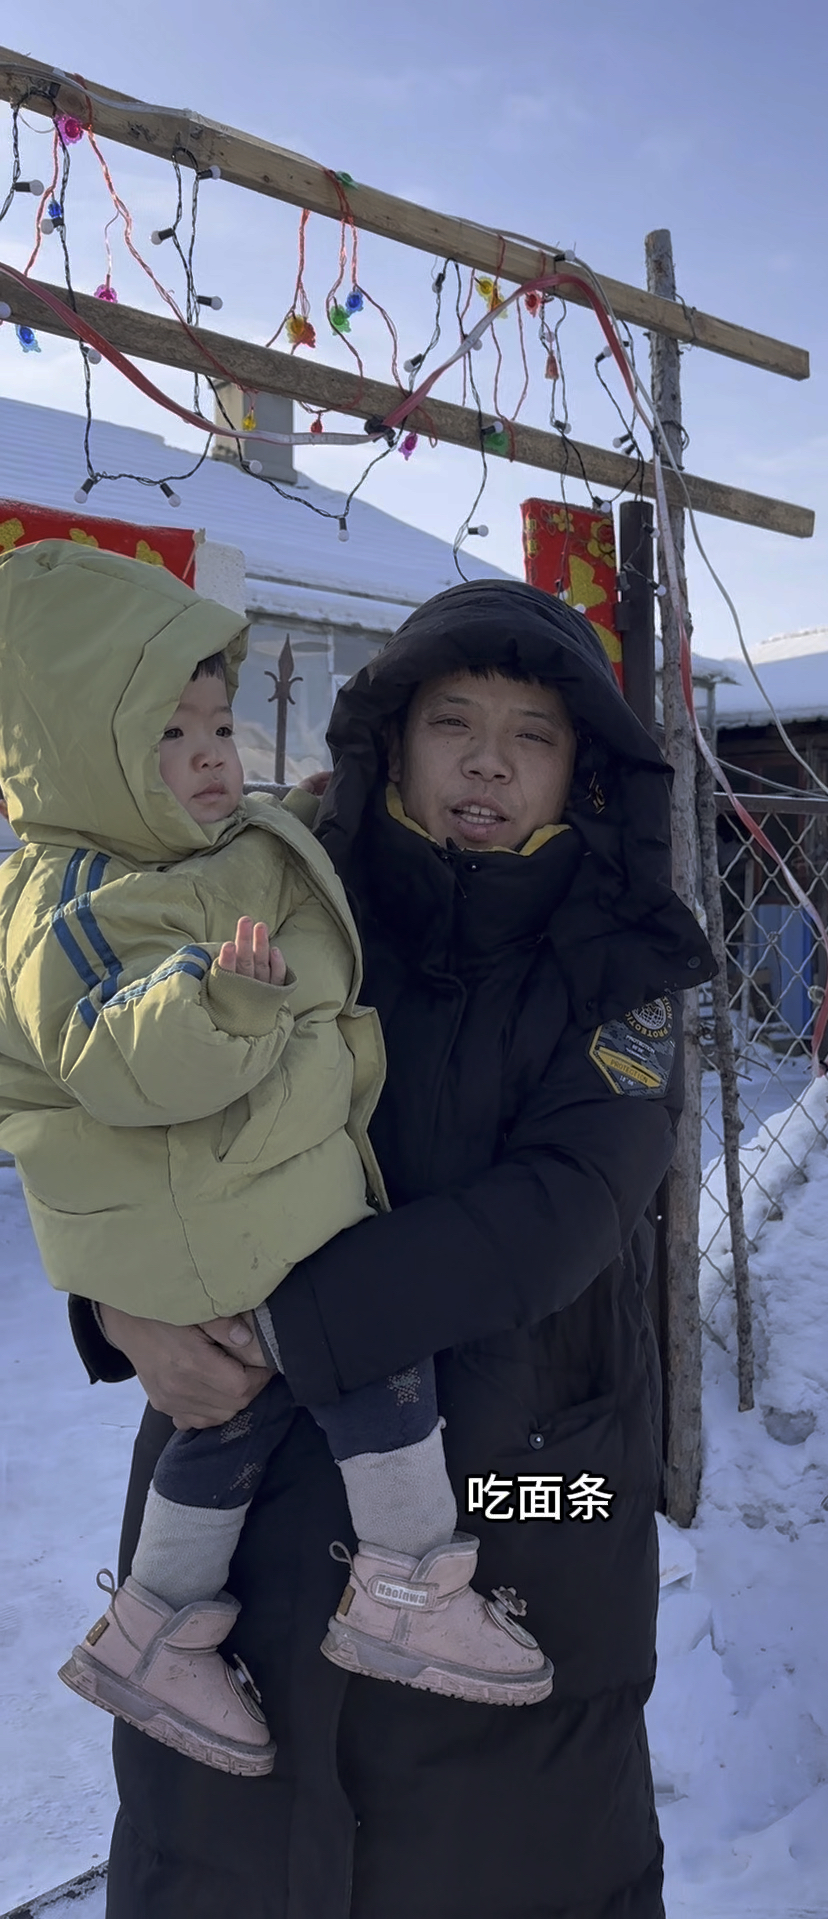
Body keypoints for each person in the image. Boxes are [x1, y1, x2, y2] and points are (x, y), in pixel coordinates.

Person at [69, 577, 716, 1919]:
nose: (488, 762)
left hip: (527, 1489)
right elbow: (122, 1109)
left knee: (505, 1853)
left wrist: (283, 1327)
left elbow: (564, 1210)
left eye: (533, 735)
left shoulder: (619, 960)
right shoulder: (265, 905)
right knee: (223, 1855)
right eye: (453, 722)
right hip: (236, 1477)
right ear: (393, 741)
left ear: (582, 767)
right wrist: (118, 1308)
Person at [0, 543, 552, 1780]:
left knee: (233, 1412)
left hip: (237, 1204)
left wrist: (301, 819)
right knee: (369, 1360)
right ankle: (408, 1587)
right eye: (169, 733)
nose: (212, 753)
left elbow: (254, 872)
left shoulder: (187, 846)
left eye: (216, 723)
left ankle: (155, 1625)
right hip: (210, 1216)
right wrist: (223, 1008)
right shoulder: (78, 902)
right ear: (83, 750)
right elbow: (122, 1061)